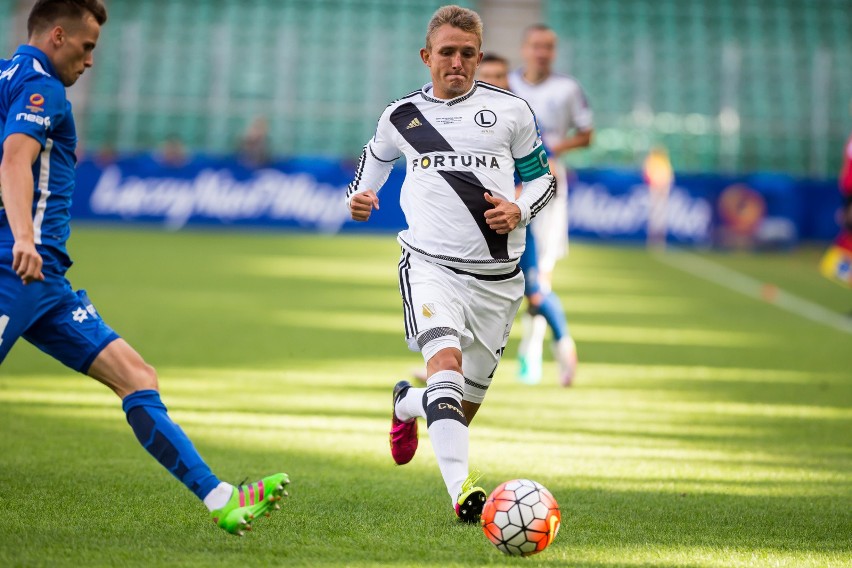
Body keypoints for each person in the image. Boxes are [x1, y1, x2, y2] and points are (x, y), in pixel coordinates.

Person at [0, 0, 288, 536]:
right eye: (87, 47)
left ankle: (220, 498)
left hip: (46, 282)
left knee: (136, 376)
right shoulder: (42, 88)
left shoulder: (7, 75)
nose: (90, 60)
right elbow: (15, 159)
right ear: (57, 35)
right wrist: (21, 237)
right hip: (17, 269)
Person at [346, 5, 555, 522]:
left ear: (479, 57)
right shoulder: (402, 117)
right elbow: (371, 166)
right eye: (446, 53)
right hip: (430, 266)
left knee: (458, 408)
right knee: (444, 367)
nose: (456, 63)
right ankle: (463, 493)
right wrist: (359, 196)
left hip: (499, 281)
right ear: (427, 56)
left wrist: (520, 207)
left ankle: (406, 404)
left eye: (467, 54)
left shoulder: (512, 112)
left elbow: (546, 180)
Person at [479, 53, 576, 387]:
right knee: (470, 289)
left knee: (535, 291)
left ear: (508, 81)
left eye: (499, 76)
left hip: (524, 218)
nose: (492, 81)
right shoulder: (466, 117)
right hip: (481, 221)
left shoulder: (520, 117)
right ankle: (446, 367)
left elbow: (544, 171)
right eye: (486, 75)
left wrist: (517, 199)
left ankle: (563, 348)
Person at [508, 24, 592, 385]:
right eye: (536, 46)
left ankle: (532, 352)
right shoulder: (508, 85)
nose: (541, 52)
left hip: (548, 188)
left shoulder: (567, 89)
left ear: (553, 52)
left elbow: (587, 134)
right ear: (525, 48)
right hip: (507, 189)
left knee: (538, 276)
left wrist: (553, 148)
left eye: (548, 47)